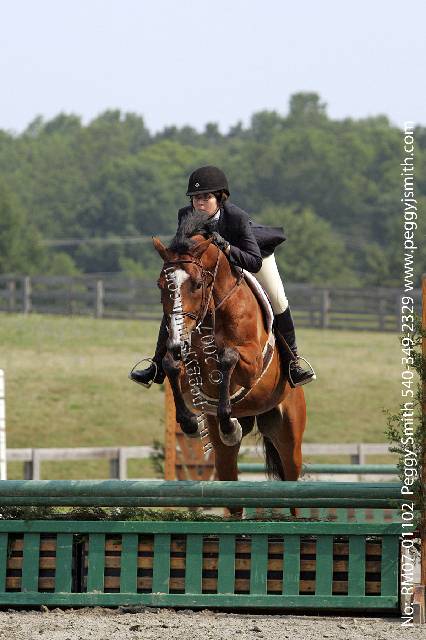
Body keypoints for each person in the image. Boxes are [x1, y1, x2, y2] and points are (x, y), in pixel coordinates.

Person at [130, 165, 315, 388]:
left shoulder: (236, 217)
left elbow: (253, 261)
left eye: (206, 197)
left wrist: (226, 247)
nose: (200, 203)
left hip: (252, 256)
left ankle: (293, 363)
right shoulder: (185, 215)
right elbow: (181, 252)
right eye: (196, 198)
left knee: (278, 300)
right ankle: (157, 365)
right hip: (213, 269)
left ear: (220, 198)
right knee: (179, 301)